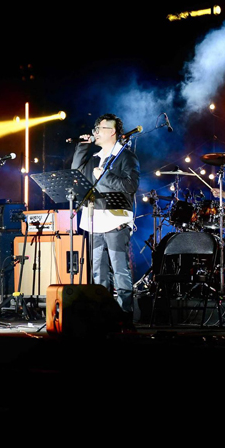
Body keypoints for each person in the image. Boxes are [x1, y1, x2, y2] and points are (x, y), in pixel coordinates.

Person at [71, 113, 140, 318]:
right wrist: (82, 146)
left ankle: (124, 314)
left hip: (116, 220)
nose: (96, 133)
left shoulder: (126, 157)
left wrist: (105, 176)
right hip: (94, 220)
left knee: (119, 269)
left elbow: (131, 185)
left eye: (99, 129)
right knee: (98, 271)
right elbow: (76, 173)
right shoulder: (95, 158)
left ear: (112, 132)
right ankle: (102, 313)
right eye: (95, 129)